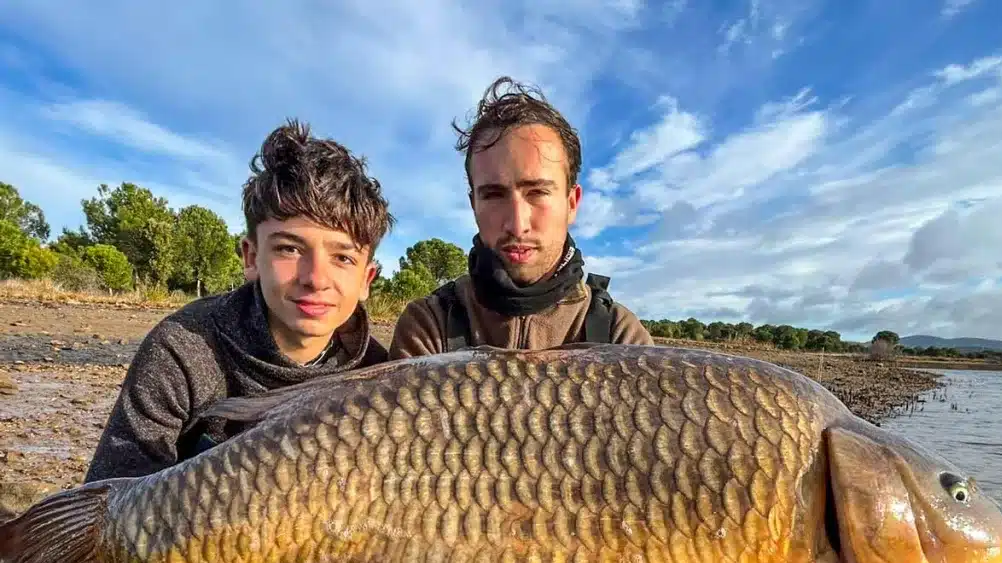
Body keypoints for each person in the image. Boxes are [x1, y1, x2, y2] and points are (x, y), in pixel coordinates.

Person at [84, 119, 395, 482]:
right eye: (290, 249)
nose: (315, 279)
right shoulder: (182, 348)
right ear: (251, 257)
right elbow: (110, 496)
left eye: (342, 258)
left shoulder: (376, 376)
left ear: (366, 279)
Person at [389, 76, 653, 358]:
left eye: (537, 192)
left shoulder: (620, 337)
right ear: (473, 205)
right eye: (493, 195)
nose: (517, 224)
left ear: (572, 203)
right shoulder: (429, 326)